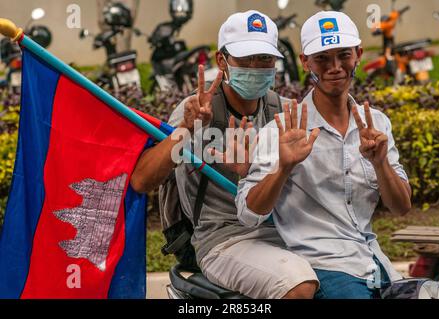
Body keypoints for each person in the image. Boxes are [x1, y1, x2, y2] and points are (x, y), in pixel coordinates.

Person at [131, 10, 319, 299]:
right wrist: (185, 128)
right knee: (298, 286)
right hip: (223, 240)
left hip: (285, 233)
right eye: (245, 60)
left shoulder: (283, 112)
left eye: (265, 59)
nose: (256, 68)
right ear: (222, 61)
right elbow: (142, 180)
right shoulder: (196, 110)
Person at [236, 11, 412, 299]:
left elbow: (401, 207)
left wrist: (380, 164)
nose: (335, 67)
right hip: (325, 268)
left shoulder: (377, 124)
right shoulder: (281, 131)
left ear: (358, 55)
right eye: (322, 58)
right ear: (305, 62)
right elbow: (247, 214)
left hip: (376, 264)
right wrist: (282, 167)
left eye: (343, 55)